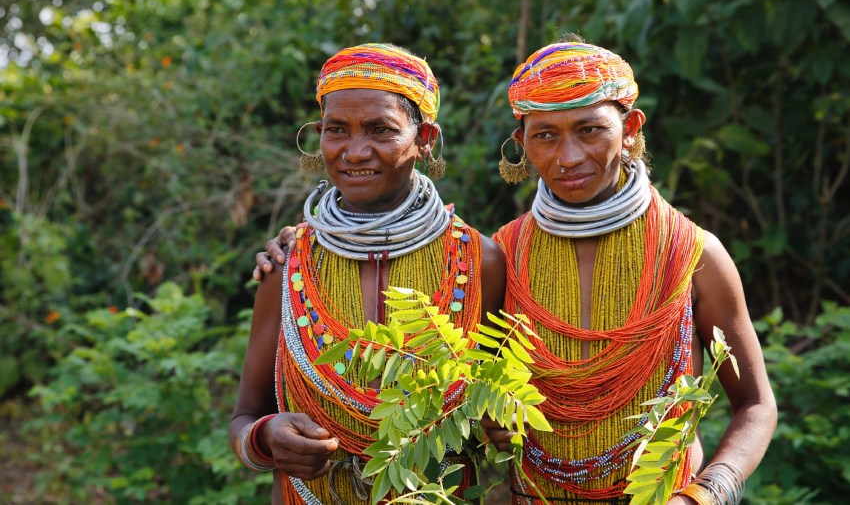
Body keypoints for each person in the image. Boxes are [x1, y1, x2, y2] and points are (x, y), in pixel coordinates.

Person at [256, 38, 777, 505]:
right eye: (546, 134)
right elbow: (474, 400)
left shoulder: (693, 255)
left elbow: (754, 404)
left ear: (632, 127)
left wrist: (706, 494)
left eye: (591, 130)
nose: (568, 156)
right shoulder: (502, 256)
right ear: (522, 143)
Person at [231, 43, 505, 505]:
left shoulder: (479, 262)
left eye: (381, 130)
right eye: (337, 130)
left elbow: (498, 413)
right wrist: (267, 437)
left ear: (425, 139)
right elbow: (245, 416)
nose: (355, 152)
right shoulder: (288, 266)